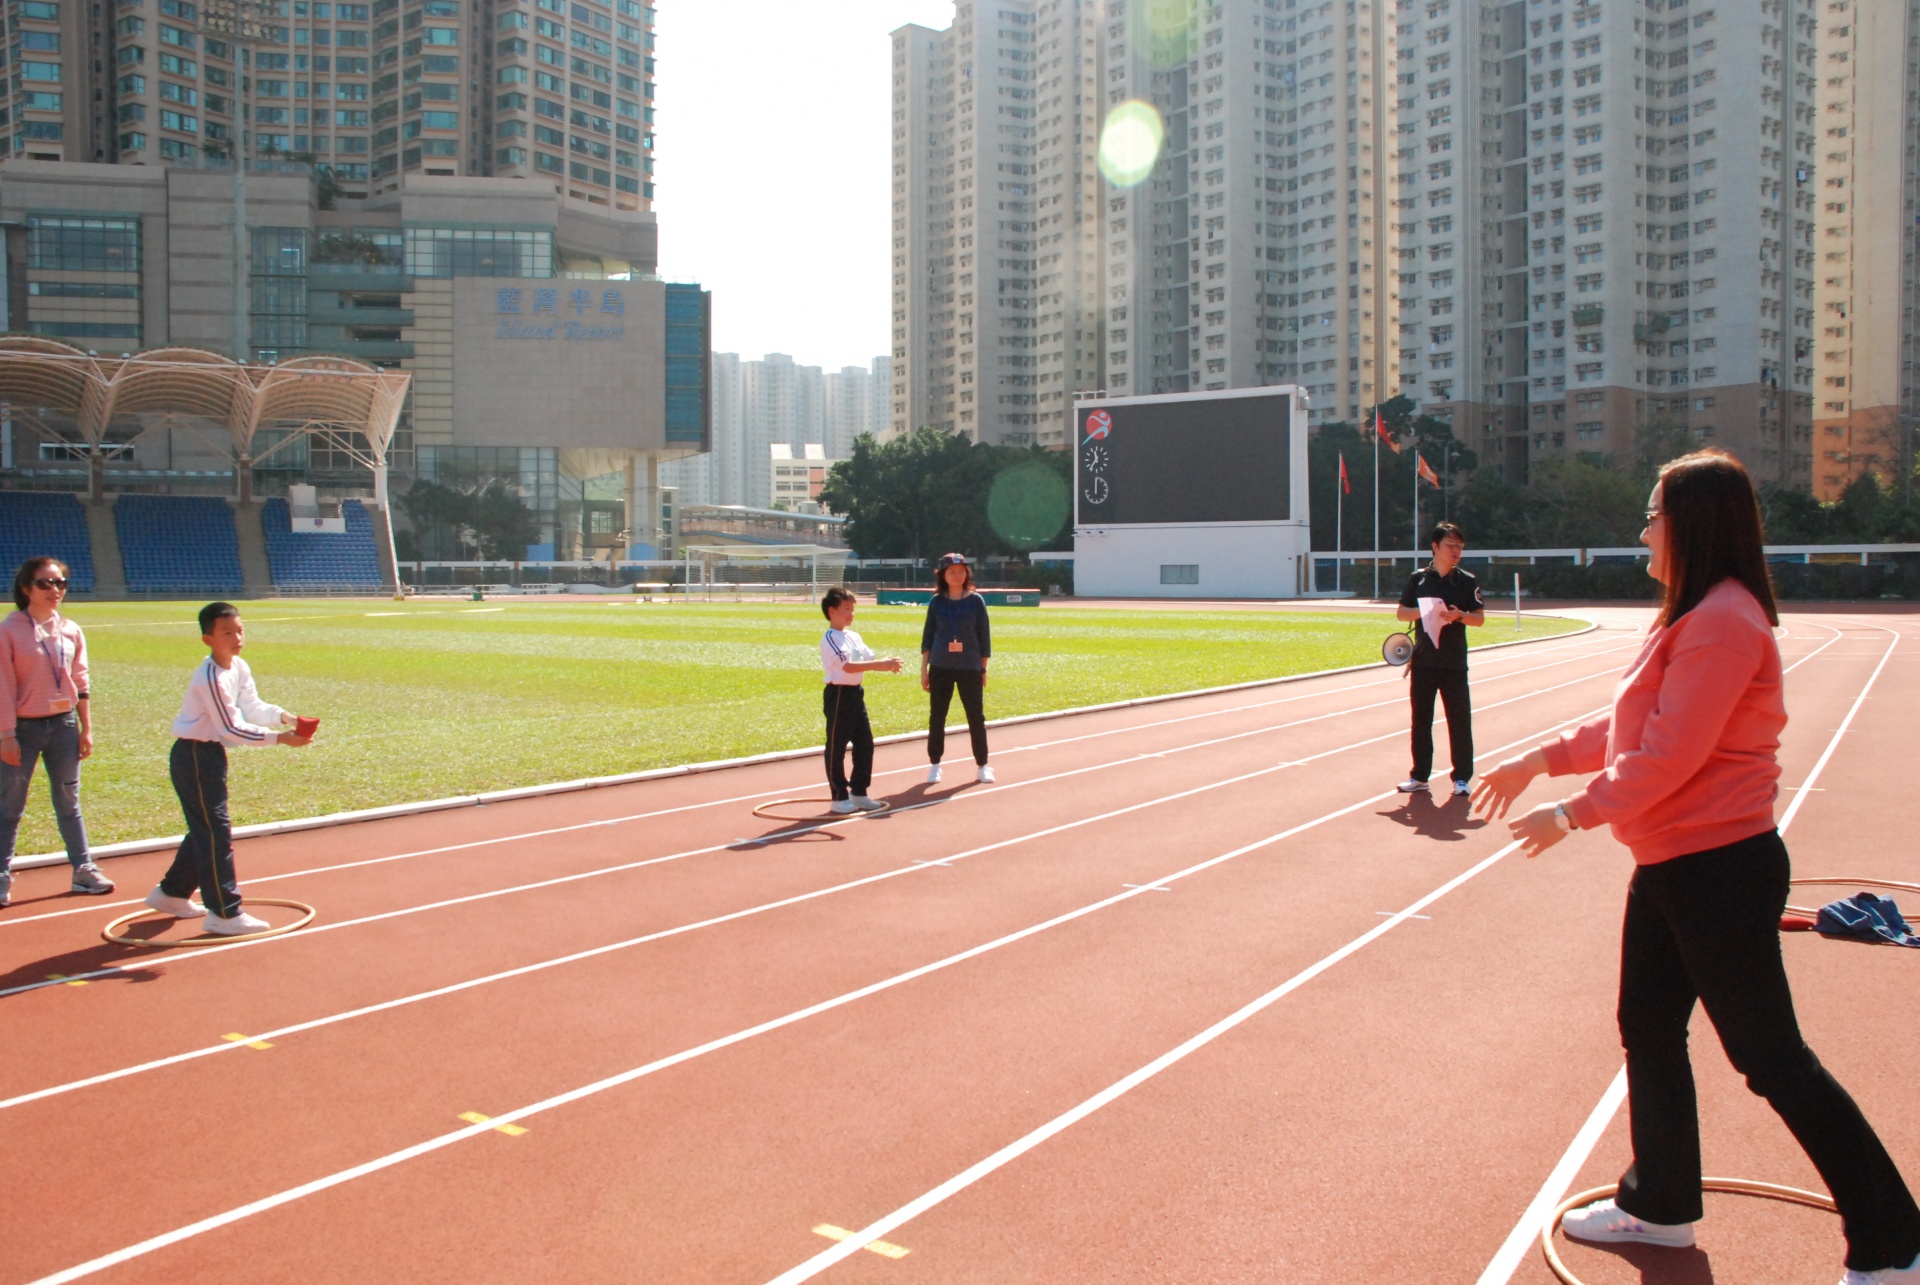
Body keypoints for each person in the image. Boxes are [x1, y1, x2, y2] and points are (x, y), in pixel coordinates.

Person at [1471, 450, 1920, 1285]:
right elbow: (1630, 726)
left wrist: (1571, 814)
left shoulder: (1722, 621)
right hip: (1672, 863)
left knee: (1771, 1057)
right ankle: (1661, 1201)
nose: (1644, 530)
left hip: (1717, 867)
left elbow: (1670, 754)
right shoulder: (1692, 616)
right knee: (1647, 1025)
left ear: (1692, 525)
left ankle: (1896, 1242)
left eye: (1653, 515)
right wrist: (1539, 759)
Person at [143, 602, 313, 937]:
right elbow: (231, 728)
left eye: (240, 631)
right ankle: (224, 912)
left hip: (209, 754)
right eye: (227, 633)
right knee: (214, 831)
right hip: (194, 755)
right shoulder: (211, 678)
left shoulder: (238, 666)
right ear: (208, 639)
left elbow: (252, 706)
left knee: (206, 827)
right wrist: (280, 739)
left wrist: (285, 717)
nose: (237, 638)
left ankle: (171, 893)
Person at [0, 558, 113, 908]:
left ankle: (83, 869)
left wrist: (86, 728)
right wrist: (6, 735)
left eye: (60, 582)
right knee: (10, 804)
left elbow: (81, 680)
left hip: (64, 726)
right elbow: (3, 686)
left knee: (68, 801)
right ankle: (1, 874)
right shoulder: (9, 630)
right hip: (23, 729)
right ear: (26, 588)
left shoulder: (71, 629)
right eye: (45, 583)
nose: (55, 589)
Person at [1396, 521, 1485, 797]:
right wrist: (1426, 611)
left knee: (1459, 721)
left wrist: (1459, 616)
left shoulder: (1467, 581)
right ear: (1435, 546)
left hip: (1454, 663)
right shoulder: (1418, 579)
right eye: (1450, 545)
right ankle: (1419, 776)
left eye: (1460, 546)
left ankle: (1461, 778)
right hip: (1423, 662)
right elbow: (1401, 613)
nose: (1456, 551)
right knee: (1421, 721)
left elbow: (1479, 619)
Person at [819, 587, 901, 815]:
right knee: (837, 746)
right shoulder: (830, 638)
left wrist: (888, 663)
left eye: (852, 609)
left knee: (865, 743)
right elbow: (847, 666)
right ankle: (839, 796)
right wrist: (880, 665)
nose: (851, 614)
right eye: (847, 609)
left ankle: (859, 792)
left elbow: (868, 658)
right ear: (832, 611)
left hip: (856, 694)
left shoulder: (853, 637)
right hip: (839, 695)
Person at [920, 552, 994, 784]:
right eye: (952, 571)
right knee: (937, 717)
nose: (957, 575)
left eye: (961, 571)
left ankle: (982, 765)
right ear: (943, 575)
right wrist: (924, 671)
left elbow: (984, 638)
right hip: (940, 666)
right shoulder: (936, 602)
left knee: (975, 717)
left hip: (969, 667)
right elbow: (928, 637)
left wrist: (983, 669)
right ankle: (935, 764)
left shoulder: (976, 601)